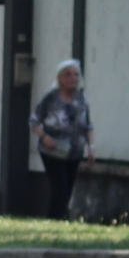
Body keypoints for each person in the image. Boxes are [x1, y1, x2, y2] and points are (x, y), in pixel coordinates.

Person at [31, 59, 92, 219]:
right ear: (59, 78)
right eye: (68, 74)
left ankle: (61, 216)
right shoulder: (51, 98)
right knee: (60, 186)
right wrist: (44, 137)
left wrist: (91, 148)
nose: (72, 78)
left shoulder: (81, 98)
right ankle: (56, 217)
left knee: (69, 186)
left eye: (76, 75)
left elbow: (88, 124)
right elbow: (33, 121)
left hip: (75, 150)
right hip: (53, 150)